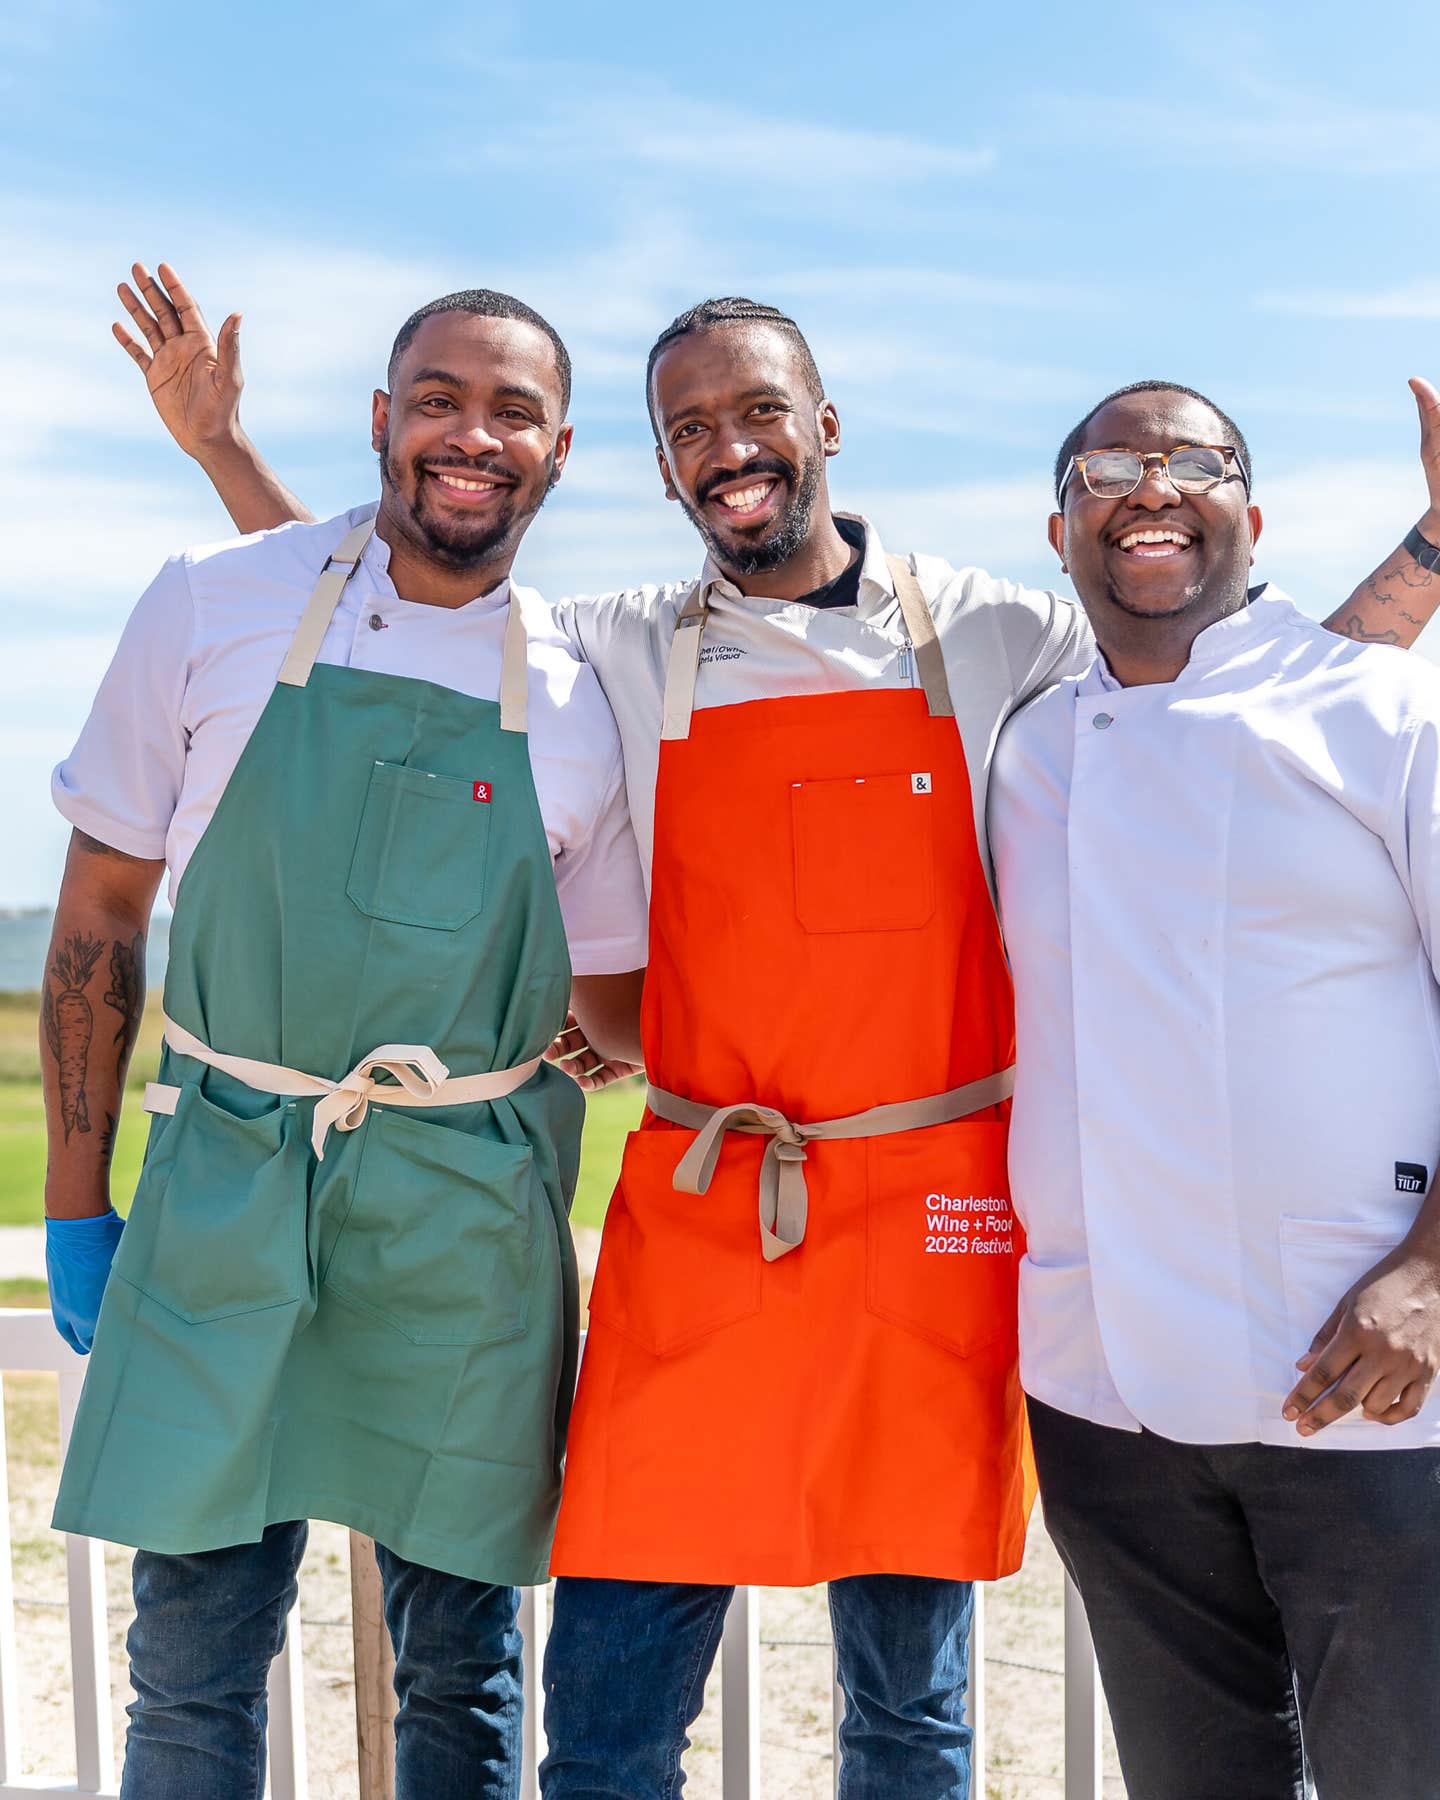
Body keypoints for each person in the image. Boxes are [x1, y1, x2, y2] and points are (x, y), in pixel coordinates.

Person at [118, 271, 1440, 1798]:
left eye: (758, 412)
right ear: (663, 463)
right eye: (689, 428)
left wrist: (1424, 557)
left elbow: (1238, 703)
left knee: (909, 1713)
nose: (729, 447)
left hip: (929, 1231)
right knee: (607, 1722)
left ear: (824, 423)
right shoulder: (613, 643)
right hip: (699, 1223)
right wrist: (226, 456)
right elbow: (396, 605)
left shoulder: (999, 631)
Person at [41, 265, 647, 1800]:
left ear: (560, 453)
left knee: (465, 1674)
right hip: (229, 1190)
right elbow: (101, 914)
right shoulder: (214, 599)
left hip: (468, 1224)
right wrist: (71, 1204)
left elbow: (611, 986)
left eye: (514, 411)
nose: (472, 434)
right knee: (191, 1660)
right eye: (437, 399)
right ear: (382, 420)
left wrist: (598, 1034)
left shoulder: (586, 686)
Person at [990, 379, 1440, 1800]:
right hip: (1102, 1392)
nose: (1151, 487)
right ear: (1060, 527)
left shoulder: (1384, 708)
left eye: (1194, 462)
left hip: (1366, 1378)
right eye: (1110, 466)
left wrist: (1433, 1270)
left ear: (1252, 513)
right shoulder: (1030, 745)